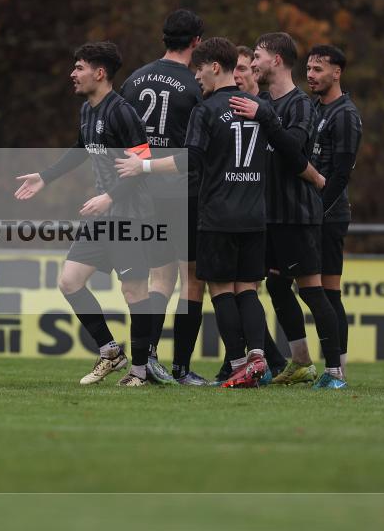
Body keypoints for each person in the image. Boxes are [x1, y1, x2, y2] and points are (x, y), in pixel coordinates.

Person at [116, 37, 325, 388]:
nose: (196, 77)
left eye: (199, 70)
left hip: (217, 215)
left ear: (215, 67)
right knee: (248, 289)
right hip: (255, 216)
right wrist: (317, 177)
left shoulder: (207, 110)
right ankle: (258, 358)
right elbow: (287, 150)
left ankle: (240, 364)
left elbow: (191, 160)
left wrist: (144, 166)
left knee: (221, 290)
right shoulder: (259, 109)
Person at [15, 41, 154, 387]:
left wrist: (110, 197)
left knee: (134, 292)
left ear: (100, 73)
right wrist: (45, 176)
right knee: (70, 281)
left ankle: (140, 371)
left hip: (130, 215)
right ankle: (111, 352)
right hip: (102, 215)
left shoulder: (122, 112)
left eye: (79, 68)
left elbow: (142, 165)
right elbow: (81, 148)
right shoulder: (88, 110)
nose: (72, 74)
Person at [118, 9, 208, 385]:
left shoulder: (134, 79)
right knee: (192, 279)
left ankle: (148, 357)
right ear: (197, 42)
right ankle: (181, 368)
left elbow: (121, 135)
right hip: (184, 190)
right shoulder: (196, 83)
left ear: (164, 38)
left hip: (143, 193)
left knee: (159, 278)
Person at [251, 32, 344, 388]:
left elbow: (294, 152)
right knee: (274, 286)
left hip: (295, 215)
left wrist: (264, 117)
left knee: (311, 291)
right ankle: (301, 362)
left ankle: (334, 372)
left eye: (257, 56)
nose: (254, 62)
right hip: (266, 215)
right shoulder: (261, 101)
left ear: (276, 60)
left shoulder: (300, 105)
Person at [307, 44, 362, 385]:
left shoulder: (345, 115)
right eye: (309, 69)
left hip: (328, 214)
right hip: (310, 212)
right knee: (304, 288)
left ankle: (337, 369)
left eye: (318, 69)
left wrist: (318, 210)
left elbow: (341, 175)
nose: (311, 75)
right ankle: (305, 361)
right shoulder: (315, 107)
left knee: (329, 292)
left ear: (336, 73)